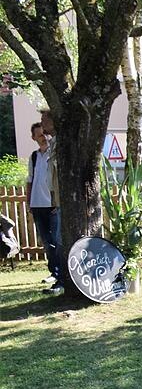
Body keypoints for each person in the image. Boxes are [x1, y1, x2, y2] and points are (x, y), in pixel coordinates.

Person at [25, 120, 62, 293]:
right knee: (47, 243)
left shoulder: (54, 154)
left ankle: (61, 274)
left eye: (44, 133)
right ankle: (53, 272)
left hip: (52, 205)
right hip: (37, 204)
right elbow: (30, 181)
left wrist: (57, 201)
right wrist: (29, 202)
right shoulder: (33, 157)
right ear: (33, 138)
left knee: (56, 240)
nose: (43, 137)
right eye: (39, 135)